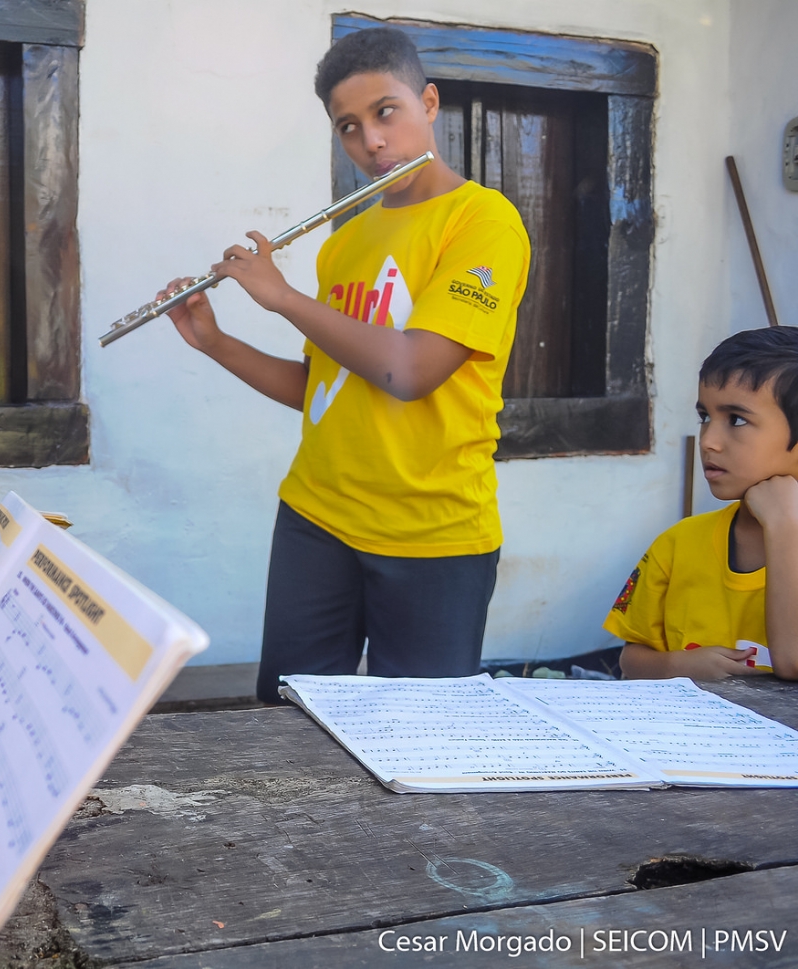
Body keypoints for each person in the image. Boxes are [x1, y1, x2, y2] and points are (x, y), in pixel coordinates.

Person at [161, 27, 530, 700]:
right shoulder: (346, 243)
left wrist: (282, 298)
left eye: (386, 112)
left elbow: (413, 371)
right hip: (316, 517)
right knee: (291, 724)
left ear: (430, 102)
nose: (372, 143)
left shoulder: (484, 223)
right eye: (349, 127)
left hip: (433, 532)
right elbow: (320, 388)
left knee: (416, 739)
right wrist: (216, 342)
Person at [606, 327, 798, 681]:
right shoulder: (679, 544)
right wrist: (678, 666)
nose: (708, 441)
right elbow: (631, 660)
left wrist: (785, 525)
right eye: (705, 416)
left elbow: (792, 662)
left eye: (737, 420)